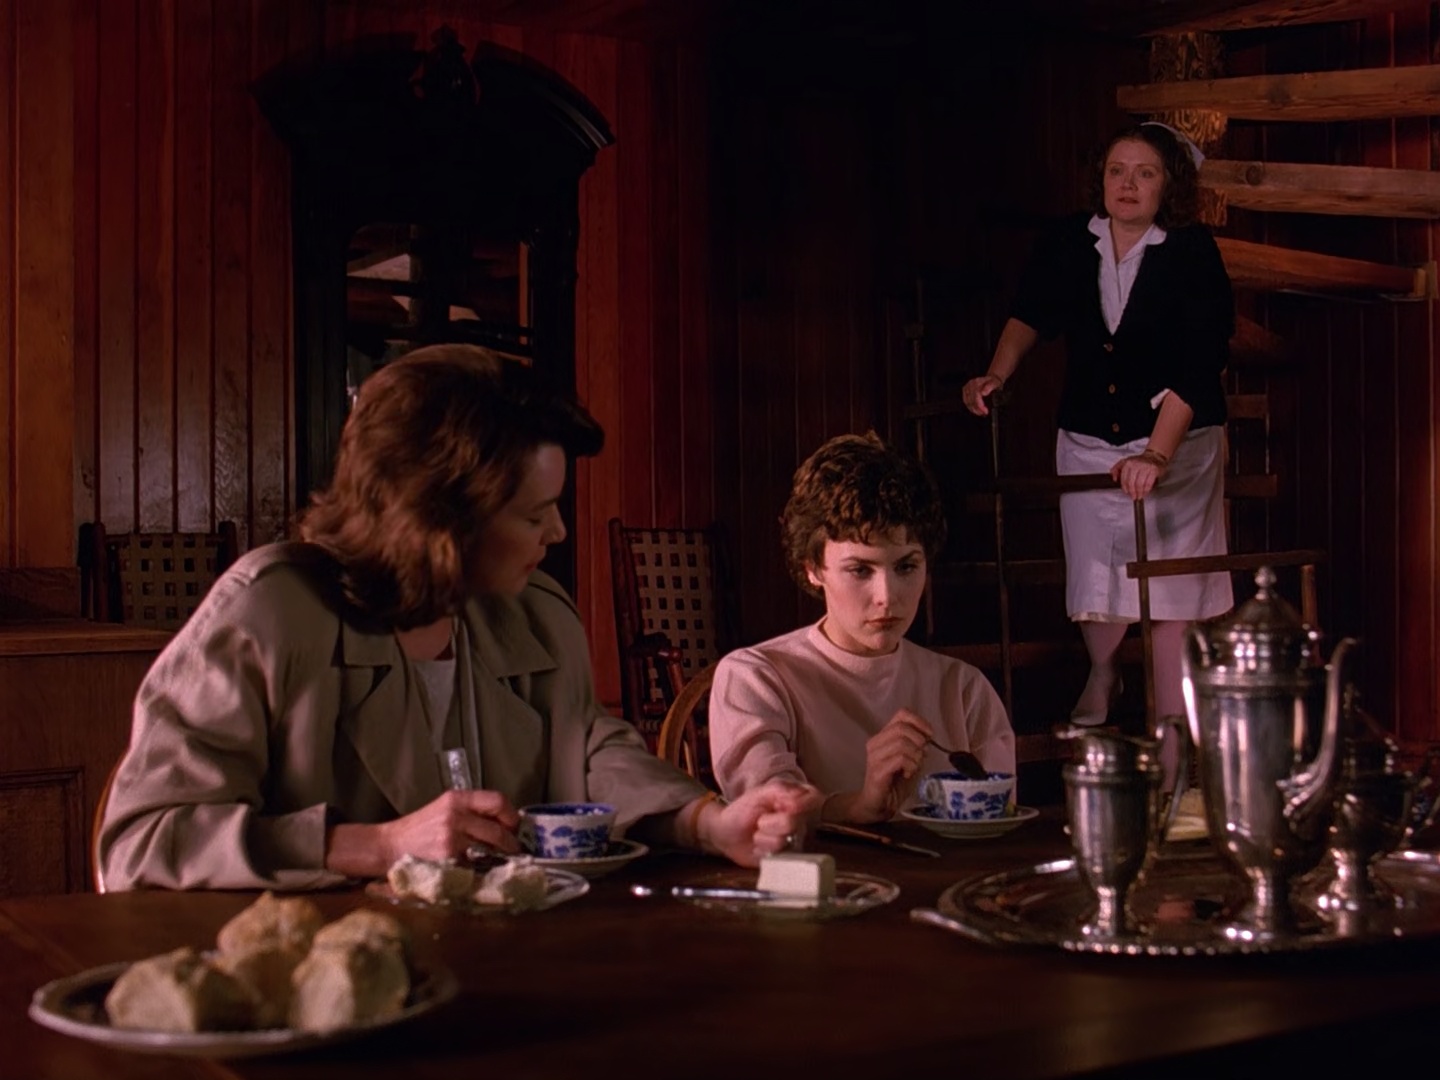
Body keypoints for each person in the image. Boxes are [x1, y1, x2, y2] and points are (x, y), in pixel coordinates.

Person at [98, 344, 820, 891]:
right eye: (534, 514)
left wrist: (708, 823)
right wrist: (378, 846)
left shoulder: (536, 614)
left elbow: (590, 751)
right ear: (439, 521)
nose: (558, 532)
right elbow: (142, 841)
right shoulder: (271, 612)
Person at [961, 121, 1234, 739]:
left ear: (1170, 186)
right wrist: (997, 374)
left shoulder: (1192, 252)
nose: (1128, 184)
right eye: (1117, 171)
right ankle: (1104, 670)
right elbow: (1029, 314)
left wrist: (1156, 456)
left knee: (1170, 587)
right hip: (1089, 435)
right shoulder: (1069, 241)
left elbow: (1200, 362)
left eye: (1145, 173)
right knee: (1096, 570)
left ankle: (1171, 724)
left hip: (1179, 441)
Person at [707, 432, 1016, 825]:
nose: (887, 597)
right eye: (859, 570)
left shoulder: (963, 690)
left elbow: (999, 826)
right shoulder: (756, 677)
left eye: (906, 566)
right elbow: (768, 814)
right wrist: (859, 806)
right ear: (813, 568)